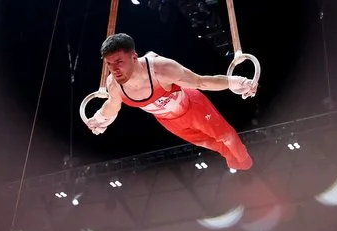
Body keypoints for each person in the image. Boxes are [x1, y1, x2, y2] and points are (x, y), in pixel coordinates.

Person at [84, 32, 257, 171]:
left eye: (119, 62)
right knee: (211, 144)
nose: (114, 69)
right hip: (169, 122)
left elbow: (201, 81)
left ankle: (245, 162)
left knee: (225, 137)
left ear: (134, 57)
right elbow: (112, 107)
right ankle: (233, 161)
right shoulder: (113, 84)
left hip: (193, 107)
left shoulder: (161, 69)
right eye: (109, 64)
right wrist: (99, 119)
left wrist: (237, 82)